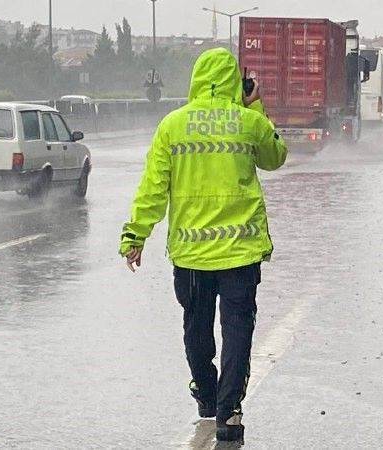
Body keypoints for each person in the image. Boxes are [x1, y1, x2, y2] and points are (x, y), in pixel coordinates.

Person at [118, 48, 287, 444]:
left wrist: (135, 235)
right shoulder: (248, 122)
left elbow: (153, 188)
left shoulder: (172, 126)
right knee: (237, 330)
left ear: (195, 79)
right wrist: (256, 104)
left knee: (196, 328)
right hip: (240, 253)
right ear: (234, 80)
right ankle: (229, 411)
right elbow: (276, 157)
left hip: (191, 256)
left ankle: (206, 392)